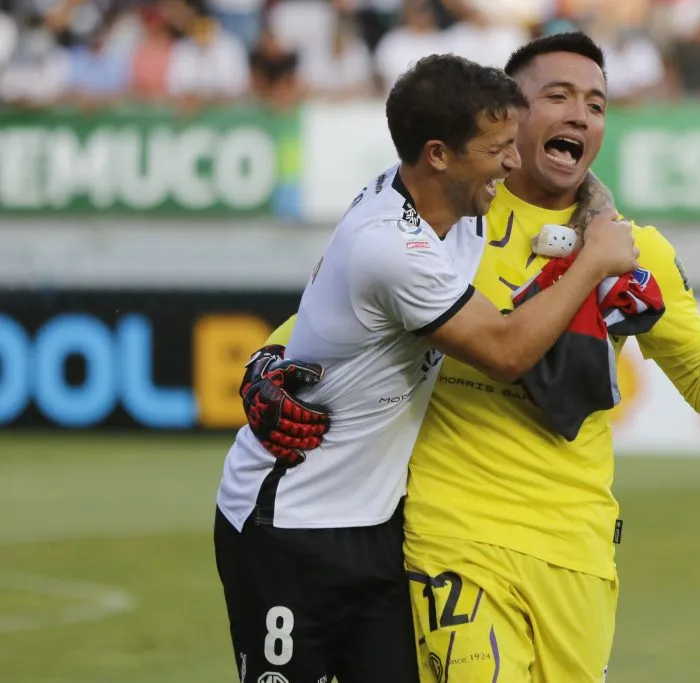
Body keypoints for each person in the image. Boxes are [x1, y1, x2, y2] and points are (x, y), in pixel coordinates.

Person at [241, 33, 700, 682]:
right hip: (455, 537)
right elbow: (337, 304)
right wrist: (266, 359)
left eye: (596, 104)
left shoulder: (631, 248)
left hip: (578, 551)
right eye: (557, 96)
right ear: (509, 116)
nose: (579, 115)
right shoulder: (453, 216)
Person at [213, 53, 639, 683]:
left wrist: (269, 355)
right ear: (439, 154)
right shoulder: (394, 247)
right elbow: (504, 351)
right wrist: (594, 261)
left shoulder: (442, 199)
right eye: (497, 149)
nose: (512, 162)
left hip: (379, 527)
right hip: (290, 521)